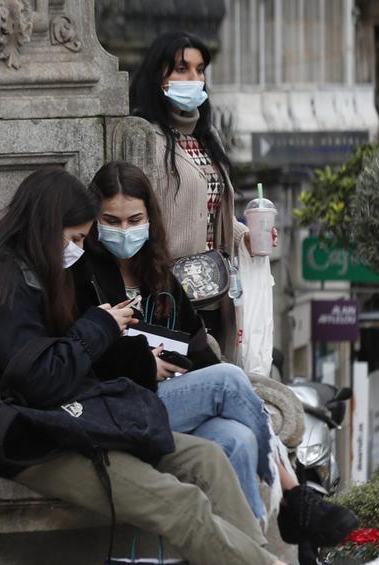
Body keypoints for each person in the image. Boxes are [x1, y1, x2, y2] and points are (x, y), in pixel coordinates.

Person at [0, 167, 379, 565]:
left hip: (70, 422)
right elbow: (38, 379)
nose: (76, 249)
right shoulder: (1, 285)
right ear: (44, 227)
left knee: (209, 458)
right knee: (177, 499)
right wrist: (98, 327)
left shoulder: (34, 274)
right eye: (74, 237)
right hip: (32, 444)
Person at [75, 161, 358, 546]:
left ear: (150, 218)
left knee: (238, 439)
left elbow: (196, 349)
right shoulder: (82, 274)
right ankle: (293, 494)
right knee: (228, 379)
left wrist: (178, 365)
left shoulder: (159, 275)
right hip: (120, 405)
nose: (124, 231)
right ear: (93, 220)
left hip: (172, 398)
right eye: (112, 220)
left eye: (134, 219)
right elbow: (81, 351)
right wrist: (144, 361)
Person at [129, 31, 244, 358]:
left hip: (213, 289)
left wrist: (242, 235)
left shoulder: (209, 138)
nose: (194, 79)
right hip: (168, 293)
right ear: (158, 75)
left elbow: (209, 208)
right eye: (182, 69)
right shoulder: (145, 137)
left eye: (200, 69)